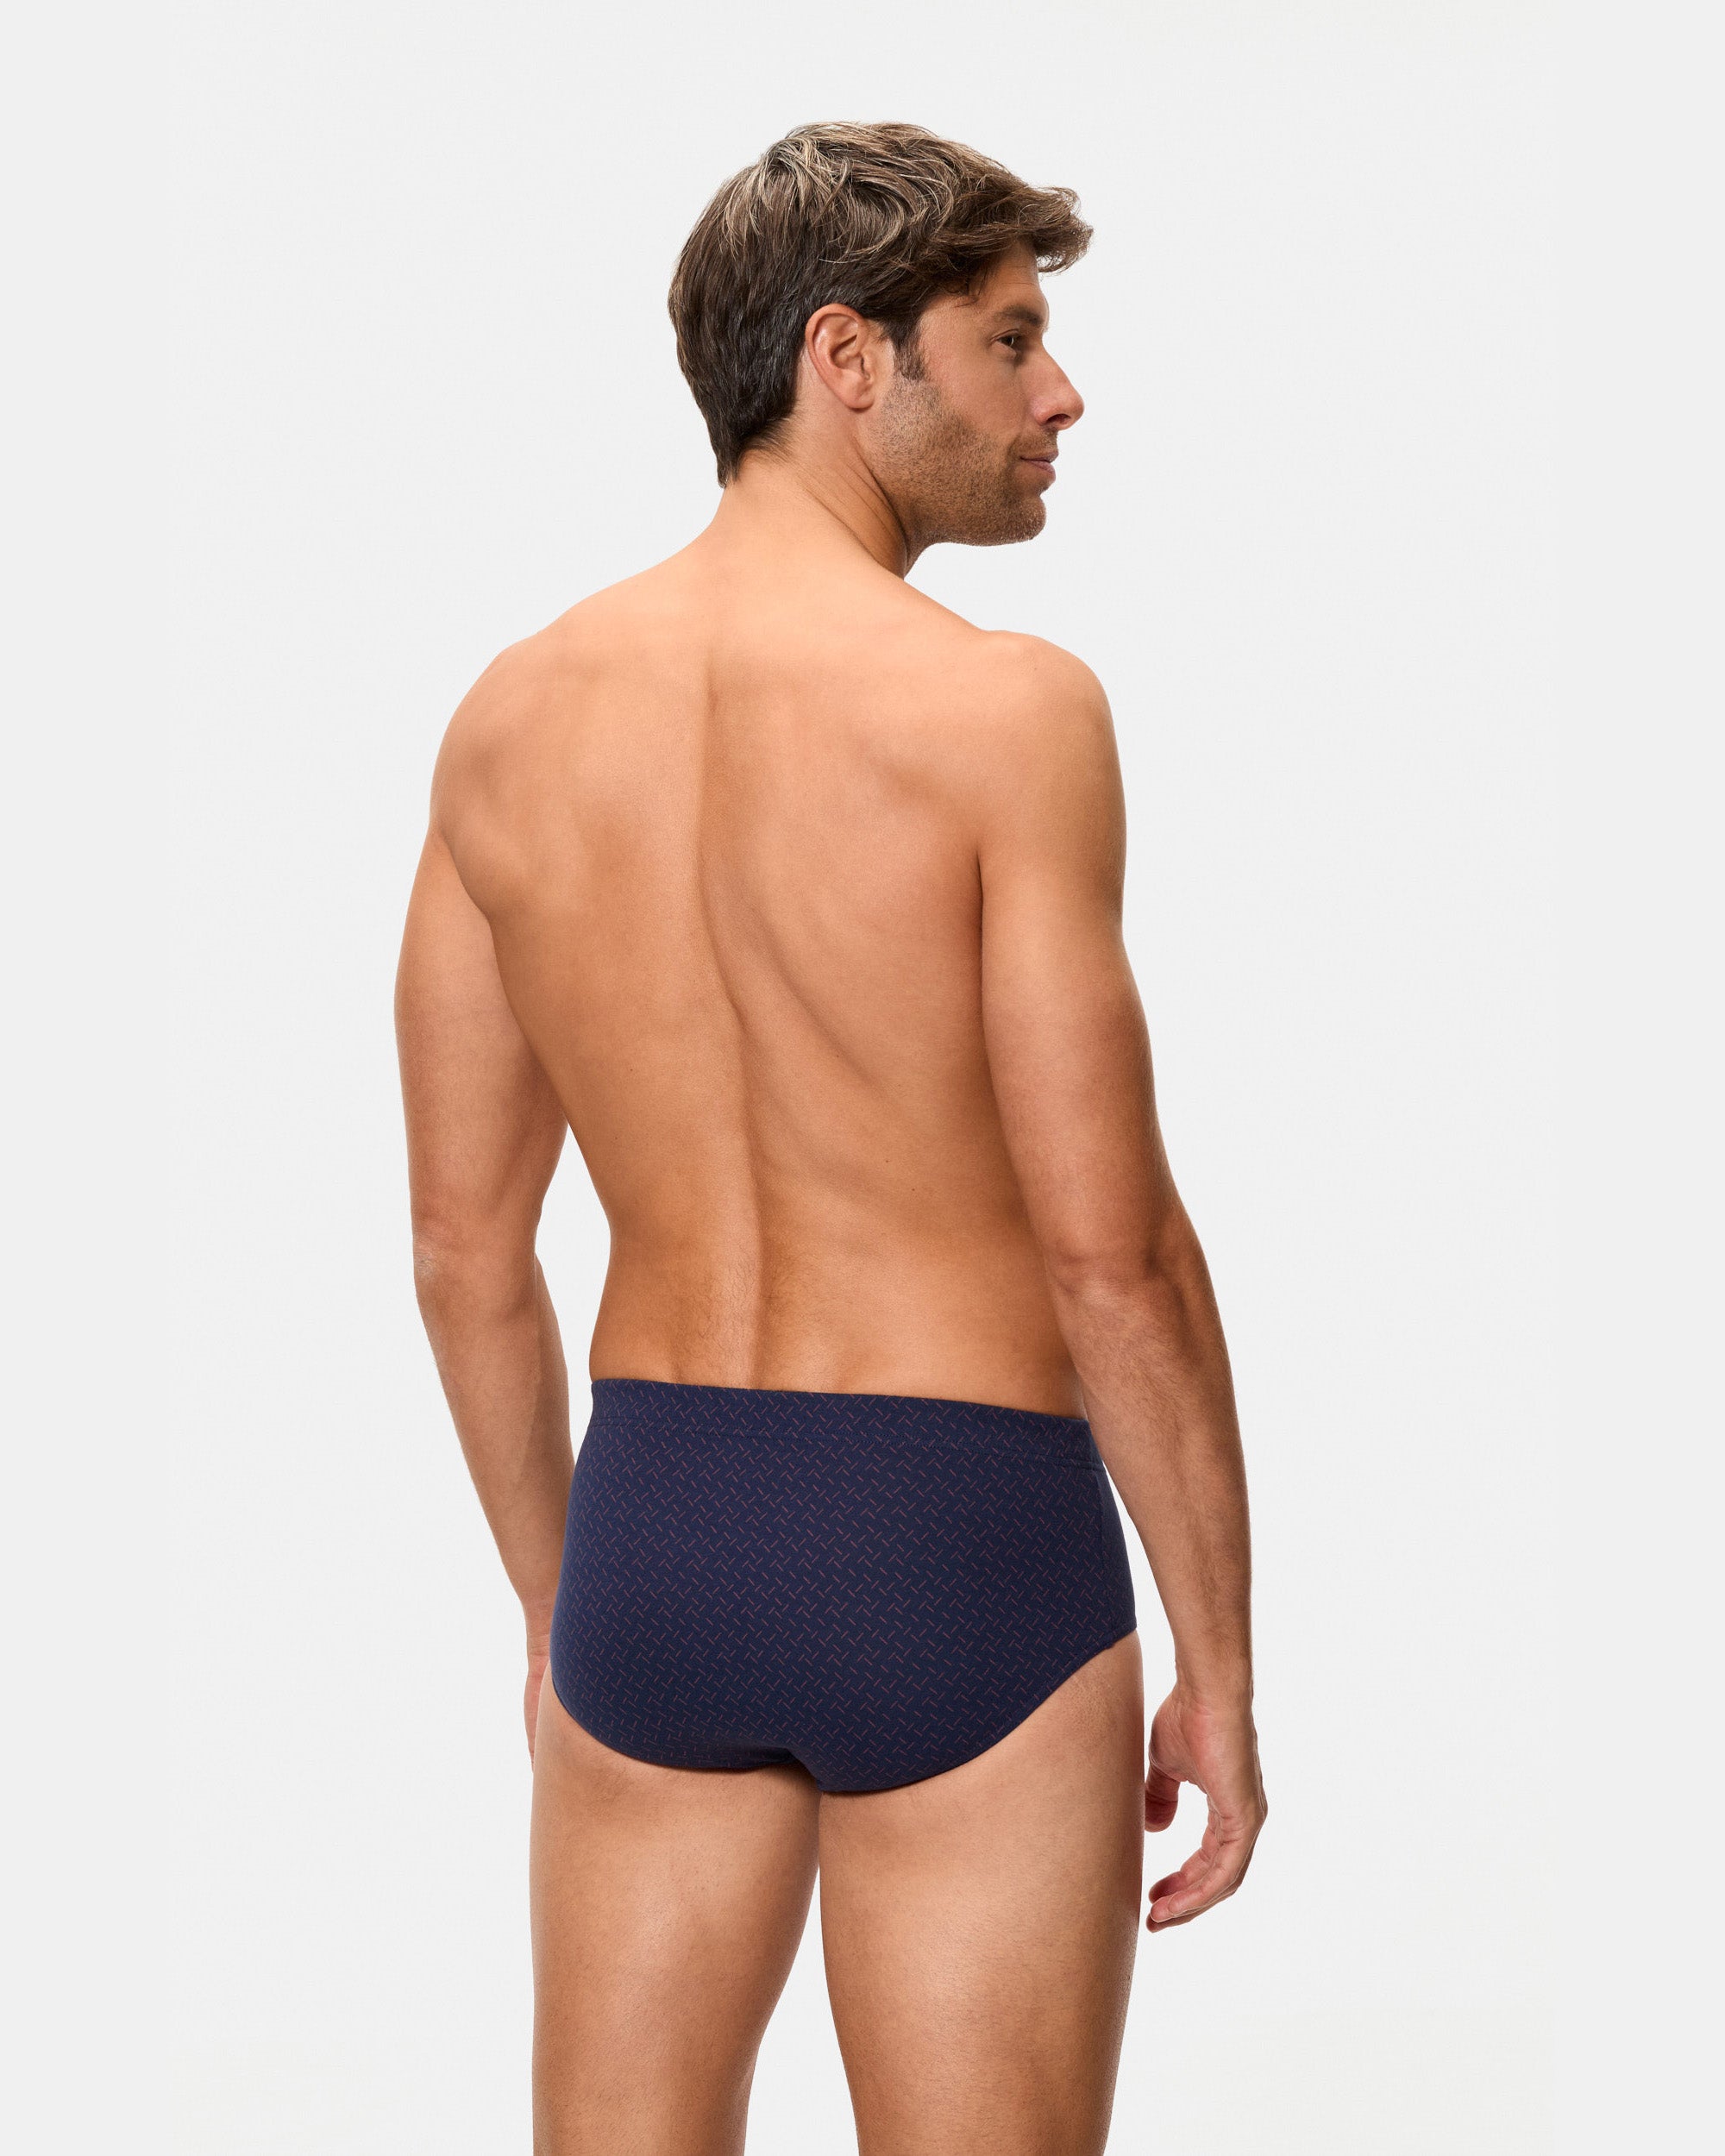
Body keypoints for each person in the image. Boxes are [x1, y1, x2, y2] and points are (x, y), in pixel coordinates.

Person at [396, 120, 1266, 2156]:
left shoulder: (508, 718)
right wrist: (1218, 1662)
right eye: (1010, 339)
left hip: (654, 1533)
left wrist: (557, 1609)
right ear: (847, 358)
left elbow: (462, 1249)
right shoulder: (1002, 711)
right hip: (954, 1536)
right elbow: (1111, 1251)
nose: (1060, 394)